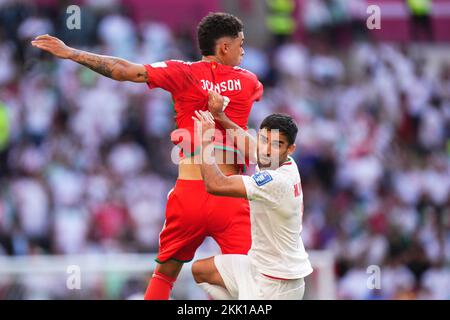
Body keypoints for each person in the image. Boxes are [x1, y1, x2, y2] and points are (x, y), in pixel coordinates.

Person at [31, 12, 263, 300]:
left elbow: (123, 70)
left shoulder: (182, 72)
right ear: (224, 48)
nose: (244, 49)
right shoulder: (249, 81)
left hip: (190, 190)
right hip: (230, 193)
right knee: (252, 276)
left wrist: (70, 53)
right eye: (240, 43)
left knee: (164, 276)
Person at [190, 105, 313, 300]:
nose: (266, 149)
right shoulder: (277, 160)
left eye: (276, 144)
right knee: (201, 271)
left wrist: (205, 141)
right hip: (257, 266)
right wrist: (221, 116)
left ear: (290, 149)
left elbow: (216, 184)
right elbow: (249, 146)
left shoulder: (276, 181)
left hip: (277, 285)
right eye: (264, 140)